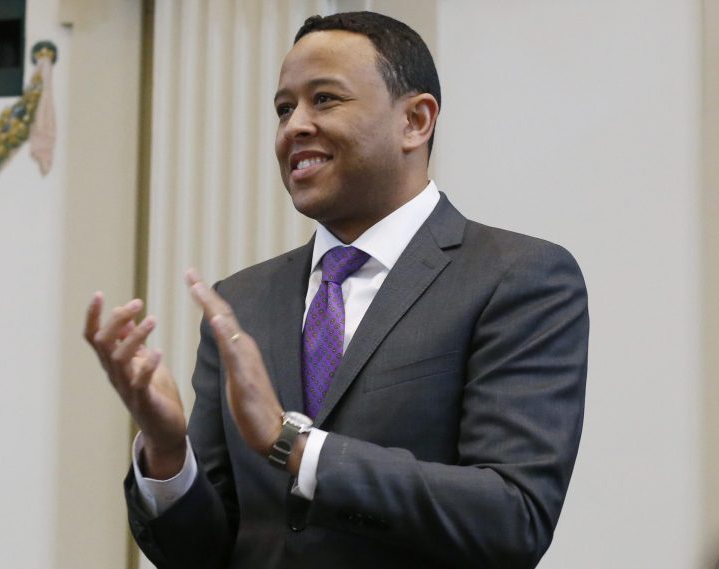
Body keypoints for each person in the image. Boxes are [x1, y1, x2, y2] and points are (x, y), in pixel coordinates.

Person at [84, 11, 589, 569]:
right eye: (283, 108)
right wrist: (165, 448)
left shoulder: (516, 277)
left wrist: (292, 445)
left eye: (324, 99)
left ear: (415, 121)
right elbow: (204, 553)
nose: (294, 126)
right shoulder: (242, 303)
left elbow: (512, 517)